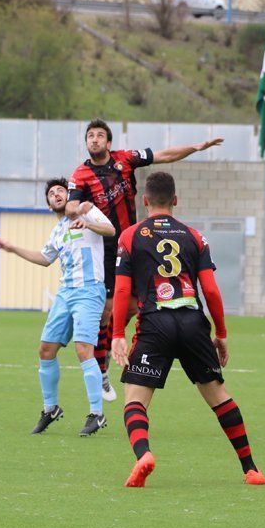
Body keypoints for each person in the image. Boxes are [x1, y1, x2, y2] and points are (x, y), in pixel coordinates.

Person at [110, 171, 265, 487]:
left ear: (145, 201)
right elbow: (210, 290)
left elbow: (123, 292)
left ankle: (144, 456)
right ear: (175, 200)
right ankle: (251, 469)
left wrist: (117, 335)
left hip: (155, 323)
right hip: (193, 322)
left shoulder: (129, 236)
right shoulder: (196, 237)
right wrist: (220, 333)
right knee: (219, 397)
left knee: (135, 400)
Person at [66, 118, 223, 402]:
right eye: (90, 135)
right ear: (86, 142)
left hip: (138, 242)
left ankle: (136, 346)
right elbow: (69, 206)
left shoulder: (125, 160)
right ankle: (103, 370)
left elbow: (163, 155)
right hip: (107, 249)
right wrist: (80, 207)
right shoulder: (80, 174)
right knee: (108, 311)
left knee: (133, 307)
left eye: (100, 135)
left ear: (109, 142)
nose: (95, 139)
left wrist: (196, 147)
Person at [0, 178, 116, 436]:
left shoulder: (86, 209)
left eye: (61, 190)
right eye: (51, 193)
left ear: (69, 195)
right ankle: (51, 409)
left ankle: (97, 413)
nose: (56, 194)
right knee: (46, 350)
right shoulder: (58, 230)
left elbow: (110, 230)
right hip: (65, 293)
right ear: (49, 204)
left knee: (84, 350)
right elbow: (45, 258)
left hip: (89, 290)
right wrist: (13, 248)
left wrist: (88, 221)